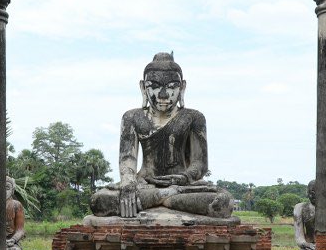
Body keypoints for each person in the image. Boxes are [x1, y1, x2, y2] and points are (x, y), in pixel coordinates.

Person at [90, 52, 232, 218]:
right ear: (143, 87)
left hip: (183, 187)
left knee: (223, 203)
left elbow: (200, 164)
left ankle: (157, 199)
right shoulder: (132, 117)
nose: (163, 95)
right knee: (98, 202)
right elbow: (127, 159)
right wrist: (128, 184)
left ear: (182, 87)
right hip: (144, 185)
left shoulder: (194, 117)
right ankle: (166, 198)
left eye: (172, 87)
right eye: (155, 86)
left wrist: (183, 178)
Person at [5, 176, 26, 250]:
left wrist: (13, 240)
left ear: (12, 190)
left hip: (10, 242)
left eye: (7, 188)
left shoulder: (16, 205)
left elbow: (20, 230)